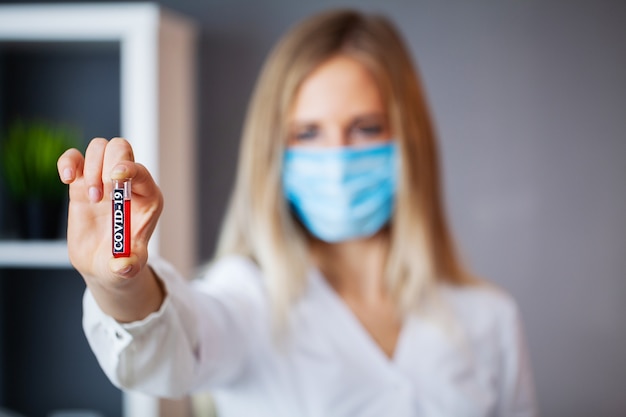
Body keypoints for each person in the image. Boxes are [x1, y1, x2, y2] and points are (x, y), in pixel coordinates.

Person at [57, 9, 537, 417]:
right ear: (274, 152)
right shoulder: (247, 300)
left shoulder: (489, 321)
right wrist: (119, 284)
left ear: (409, 142)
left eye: (365, 128)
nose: (336, 156)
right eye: (308, 134)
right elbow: (167, 348)